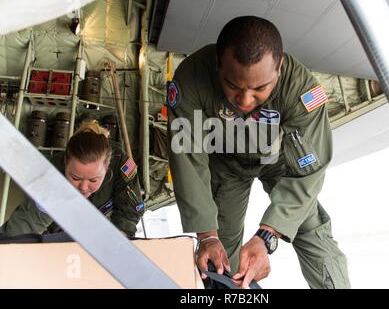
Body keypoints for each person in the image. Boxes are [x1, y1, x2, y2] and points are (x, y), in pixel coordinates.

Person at [168, 16, 350, 288]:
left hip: (278, 163)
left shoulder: (302, 91)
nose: (245, 100)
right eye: (233, 85)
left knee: (312, 231)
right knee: (218, 258)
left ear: (279, 68)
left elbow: (308, 172)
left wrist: (267, 236)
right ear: (218, 63)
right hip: (226, 165)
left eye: (260, 89)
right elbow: (187, 159)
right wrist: (207, 236)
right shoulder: (191, 78)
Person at [0, 120, 144, 237]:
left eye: (93, 180)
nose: (83, 187)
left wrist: (120, 240)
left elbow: (129, 211)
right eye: (75, 177)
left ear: (108, 169)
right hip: (59, 240)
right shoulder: (52, 173)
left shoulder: (120, 163)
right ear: (65, 164)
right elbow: (29, 221)